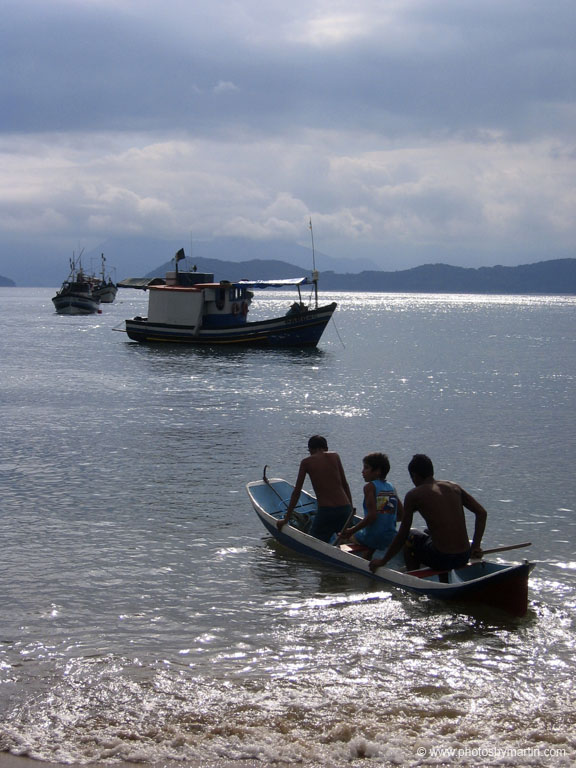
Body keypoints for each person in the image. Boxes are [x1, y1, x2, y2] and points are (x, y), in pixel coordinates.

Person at [369, 454, 487, 572]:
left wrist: (383, 560)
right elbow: (481, 513)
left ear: (414, 476)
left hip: (442, 558)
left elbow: (403, 533)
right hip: (464, 556)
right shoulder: (453, 487)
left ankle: (412, 576)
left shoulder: (414, 495)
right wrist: (475, 546)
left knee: (411, 537)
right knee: (427, 532)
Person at [277, 435, 353, 542]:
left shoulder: (306, 462)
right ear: (326, 448)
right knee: (344, 539)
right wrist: (350, 509)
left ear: (311, 450)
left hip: (326, 512)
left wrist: (286, 518)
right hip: (345, 508)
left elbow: (296, 492)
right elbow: (345, 484)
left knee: (313, 542)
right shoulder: (335, 456)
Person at [340, 453, 403, 552]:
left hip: (372, 537)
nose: (362, 471)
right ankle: (367, 558)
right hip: (389, 537)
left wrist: (351, 531)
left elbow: (372, 516)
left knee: (345, 536)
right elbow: (401, 515)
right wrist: (386, 521)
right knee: (374, 534)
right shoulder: (391, 488)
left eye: (366, 468)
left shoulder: (370, 487)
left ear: (377, 471)